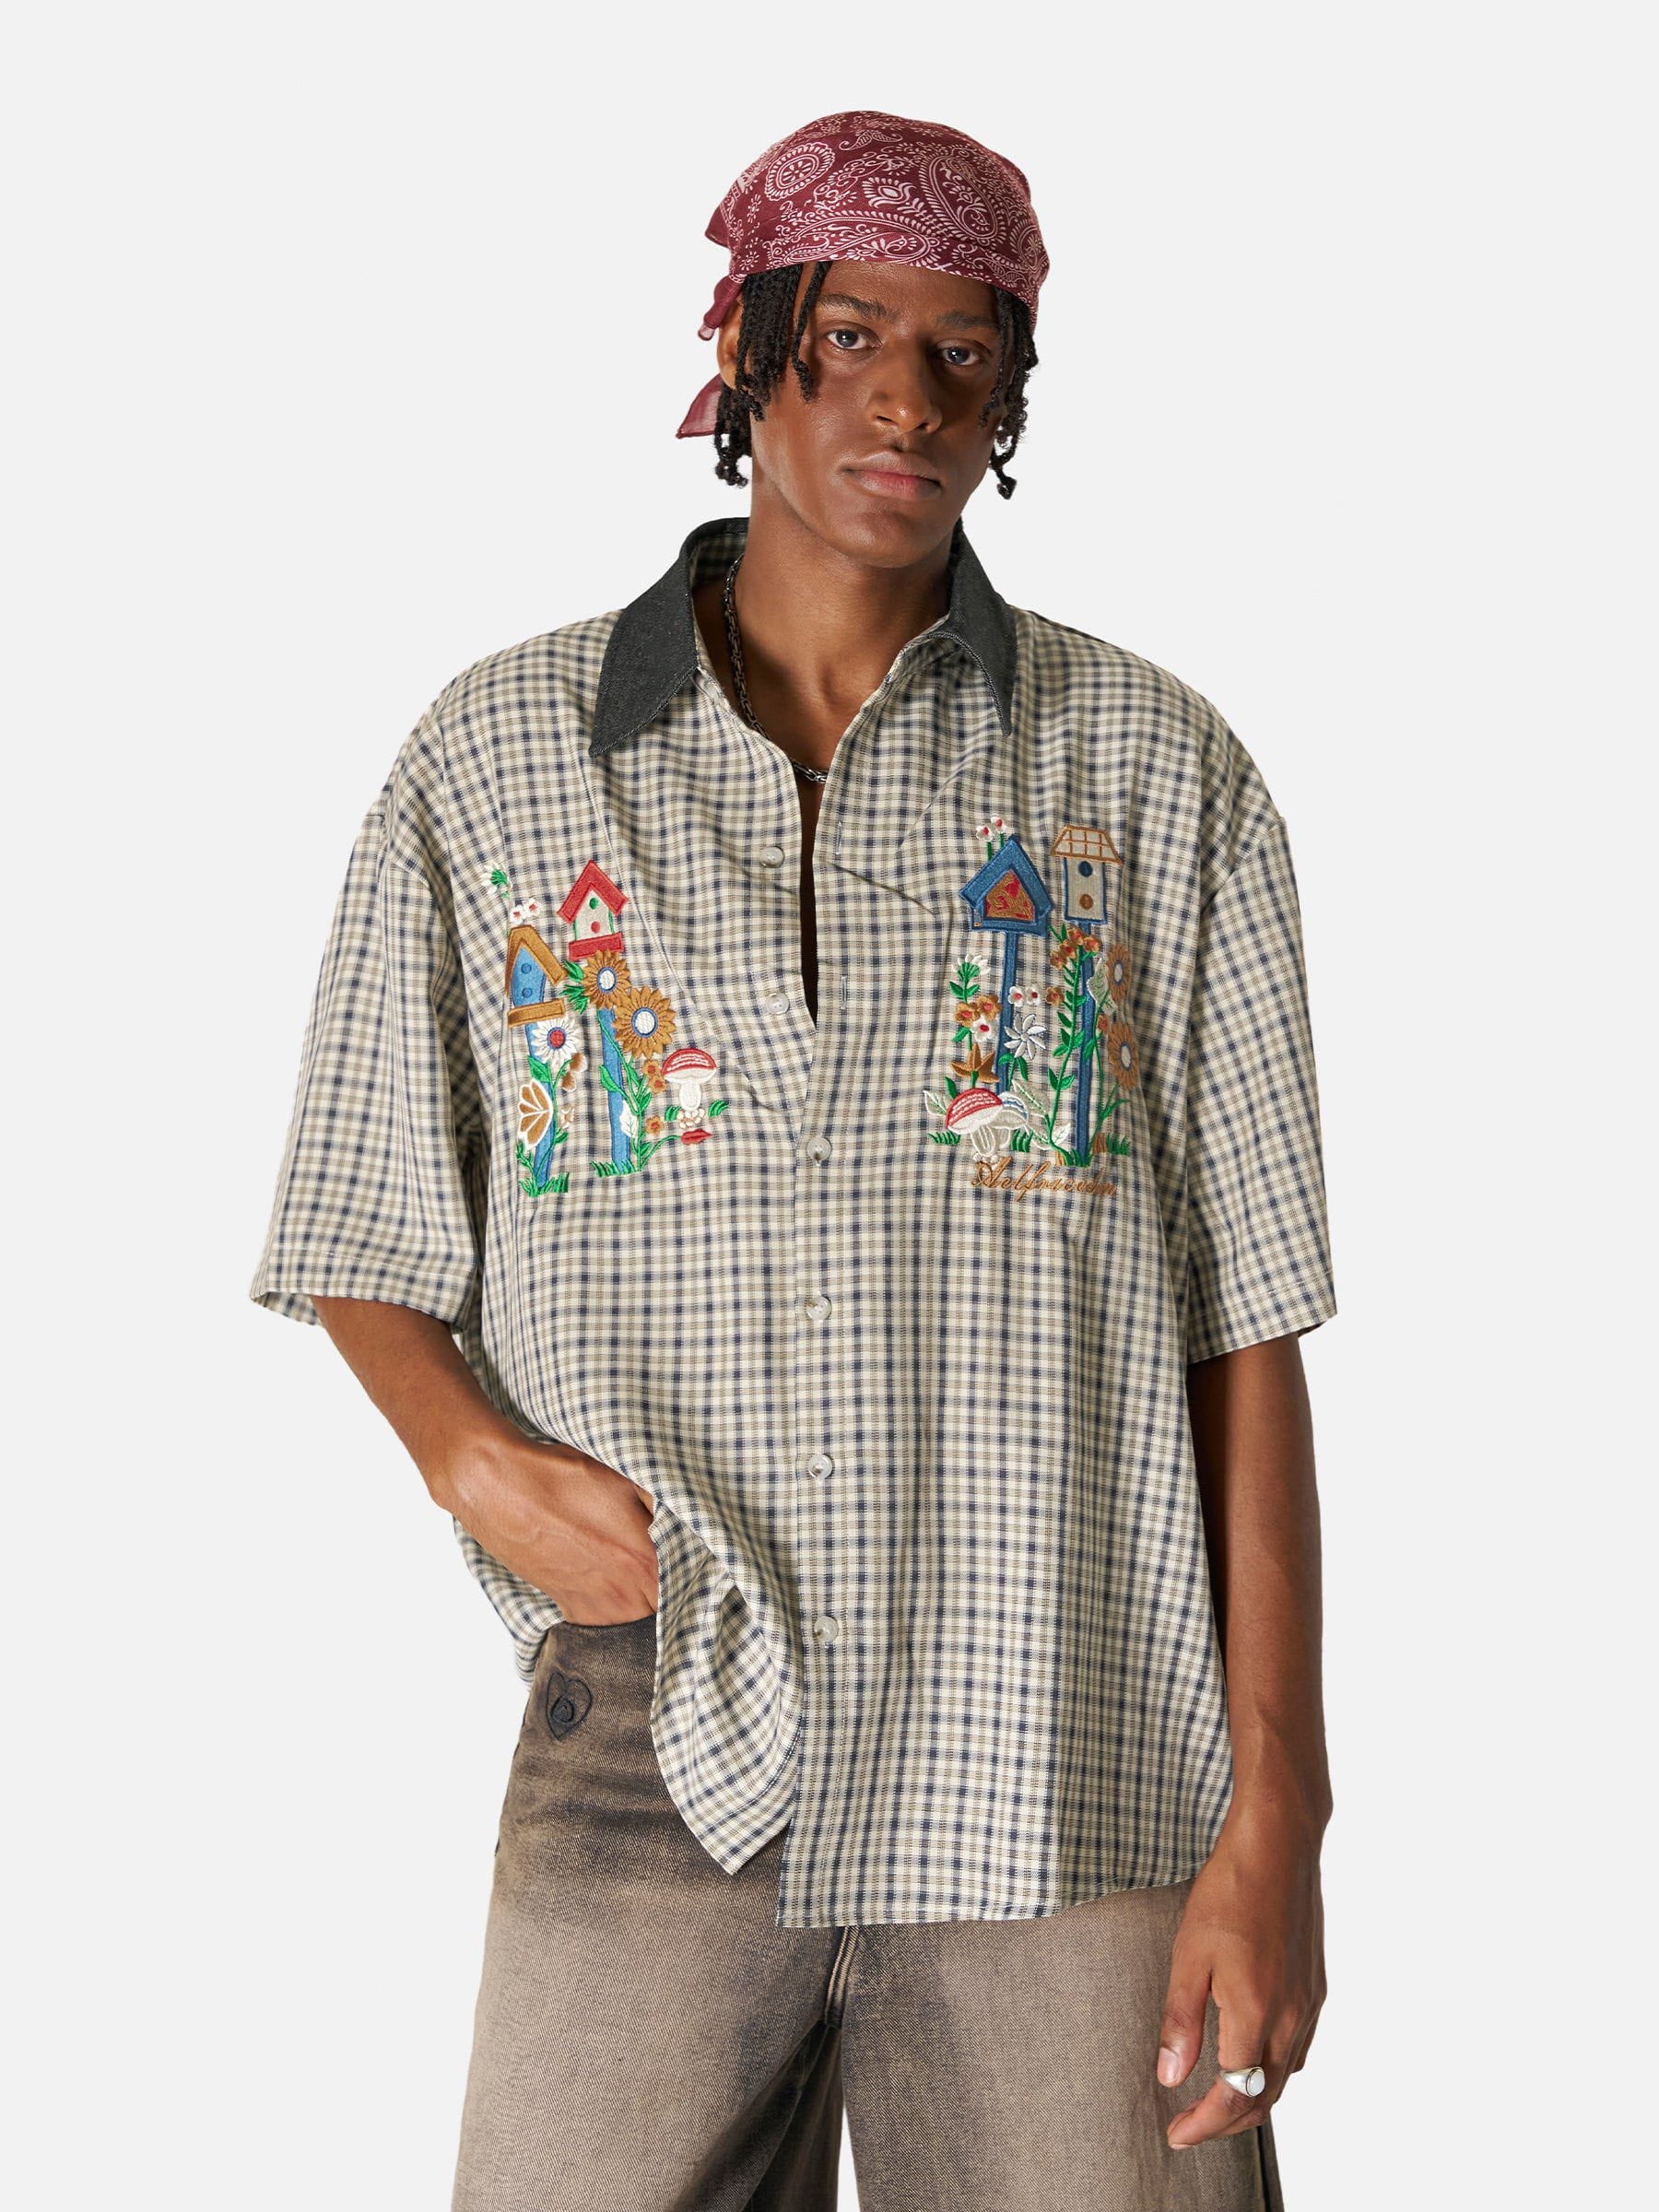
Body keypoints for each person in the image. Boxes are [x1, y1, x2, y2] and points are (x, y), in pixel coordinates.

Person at [251, 108, 1337, 2212]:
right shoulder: (499, 759)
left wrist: (1281, 1817)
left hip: (1070, 1733)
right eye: (849, 337)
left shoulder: (1161, 775)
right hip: (660, 1722)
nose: (907, 401)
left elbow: (1249, 1330)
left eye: (963, 352)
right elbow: (363, 1214)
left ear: (1013, 398)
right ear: (747, 354)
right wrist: (475, 1466)